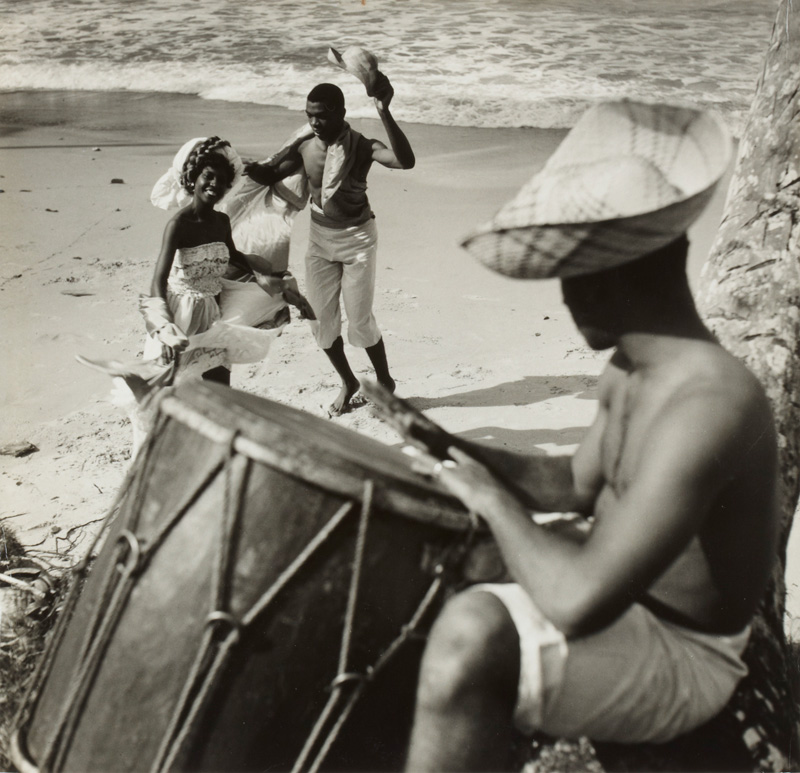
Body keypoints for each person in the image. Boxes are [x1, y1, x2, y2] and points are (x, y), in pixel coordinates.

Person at [400, 101, 781, 771]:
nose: (566, 299)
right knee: (426, 564)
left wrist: (491, 497)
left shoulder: (710, 403)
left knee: (472, 633)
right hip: (632, 609)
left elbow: (576, 601)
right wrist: (450, 446)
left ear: (611, 274)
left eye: (570, 276)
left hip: (687, 652)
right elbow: (576, 484)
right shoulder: (630, 370)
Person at [245, 76, 415, 417]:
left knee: (360, 321)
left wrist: (384, 110)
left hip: (358, 240)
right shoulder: (306, 146)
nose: (314, 122)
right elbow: (272, 173)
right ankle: (348, 382)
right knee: (320, 321)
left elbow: (403, 161)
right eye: (309, 115)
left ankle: (385, 382)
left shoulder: (363, 146)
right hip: (320, 238)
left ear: (341, 113)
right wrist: (234, 165)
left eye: (321, 115)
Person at [144, 135, 310, 385]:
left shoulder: (221, 222)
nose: (214, 184)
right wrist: (164, 328)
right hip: (181, 317)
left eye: (222, 181)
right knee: (173, 390)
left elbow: (235, 257)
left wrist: (279, 285)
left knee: (220, 386)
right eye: (208, 176)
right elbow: (157, 282)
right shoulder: (179, 225)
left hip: (212, 312)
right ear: (193, 178)